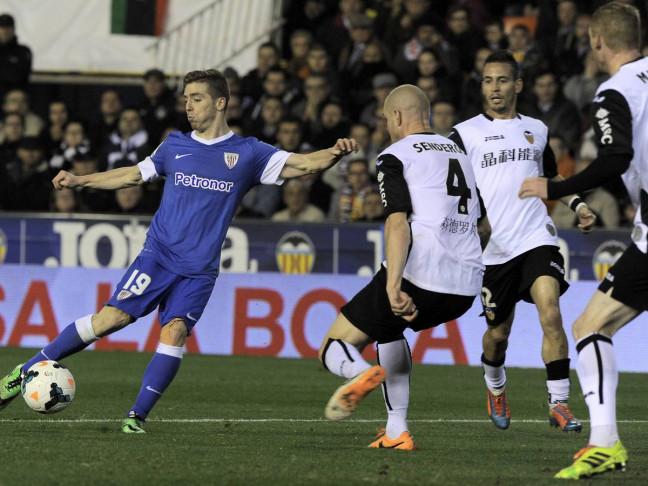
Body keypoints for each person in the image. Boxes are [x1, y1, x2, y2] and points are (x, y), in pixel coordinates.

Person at [0, 68, 358, 433]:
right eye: (185, 99)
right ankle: (24, 370)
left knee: (175, 332)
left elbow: (305, 163)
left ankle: (136, 417)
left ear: (221, 103)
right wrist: (80, 180)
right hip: (158, 256)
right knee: (111, 320)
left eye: (196, 98)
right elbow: (133, 175)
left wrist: (334, 152)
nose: (188, 106)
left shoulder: (248, 153)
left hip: (200, 269)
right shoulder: (174, 145)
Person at [318, 84, 489, 450]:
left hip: (420, 276)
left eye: (385, 118)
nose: (386, 126)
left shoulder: (395, 154)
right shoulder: (460, 154)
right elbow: (484, 226)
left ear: (396, 116)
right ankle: (397, 432)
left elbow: (397, 223)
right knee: (389, 332)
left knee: (333, 347)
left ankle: (361, 374)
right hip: (465, 287)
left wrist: (393, 285)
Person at [519, 3, 646, 478]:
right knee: (595, 325)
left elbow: (615, 158)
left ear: (596, 42)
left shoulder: (615, 90)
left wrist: (552, 187)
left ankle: (605, 443)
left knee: (590, 328)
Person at [448, 50, 596, 433]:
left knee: (551, 312)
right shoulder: (464, 134)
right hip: (493, 251)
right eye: (487, 80)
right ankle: (495, 387)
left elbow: (551, 179)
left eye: (501, 80)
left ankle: (559, 403)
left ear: (517, 85)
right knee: (498, 336)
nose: (494, 88)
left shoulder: (537, 129)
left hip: (535, 236)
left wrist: (577, 203)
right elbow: (449, 189)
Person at [0, 13, 32, 98]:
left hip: (14, 98)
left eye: (8, 27)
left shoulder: (23, 52)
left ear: (13, 29)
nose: (5, 31)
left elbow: (18, 77)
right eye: (2, 27)